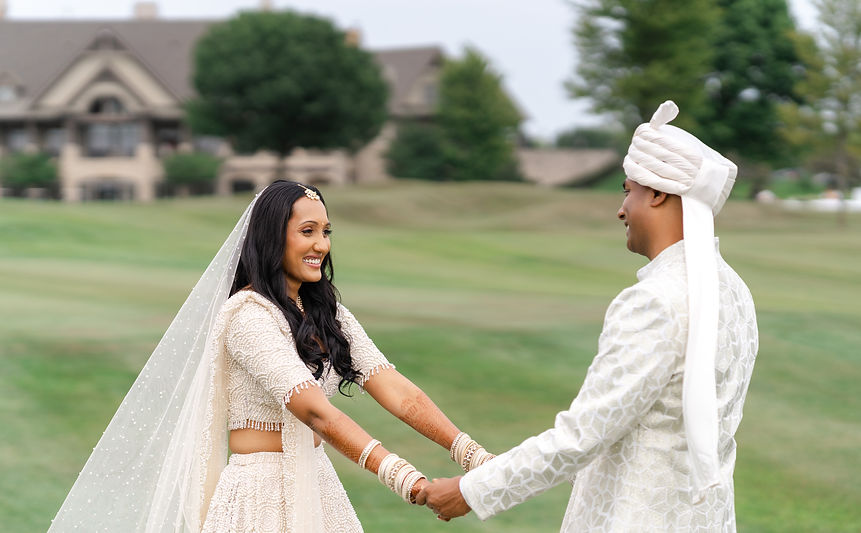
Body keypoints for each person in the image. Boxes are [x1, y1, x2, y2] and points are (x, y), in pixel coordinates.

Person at [48, 180, 493, 532]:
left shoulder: (324, 309)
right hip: (259, 496)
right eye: (307, 232)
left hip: (316, 484)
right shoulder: (246, 315)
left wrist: (471, 454)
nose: (321, 245)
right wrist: (408, 481)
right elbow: (316, 413)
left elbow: (392, 386)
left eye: (326, 232)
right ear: (270, 236)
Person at [418, 101, 758, 532]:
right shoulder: (736, 292)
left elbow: (584, 433)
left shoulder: (655, 299)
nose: (620, 209)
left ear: (657, 194)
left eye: (627, 190)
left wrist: (471, 490)